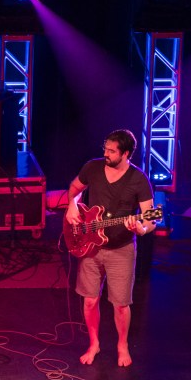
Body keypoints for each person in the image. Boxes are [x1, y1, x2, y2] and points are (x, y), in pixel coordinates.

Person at [64, 129, 156, 367]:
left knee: (120, 303)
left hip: (121, 249)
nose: (105, 153)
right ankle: (94, 343)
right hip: (90, 246)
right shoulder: (92, 168)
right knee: (90, 301)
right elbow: (74, 189)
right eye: (105, 148)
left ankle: (122, 345)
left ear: (125, 153)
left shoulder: (138, 179)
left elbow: (150, 219)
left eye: (111, 151)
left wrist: (140, 230)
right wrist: (72, 206)